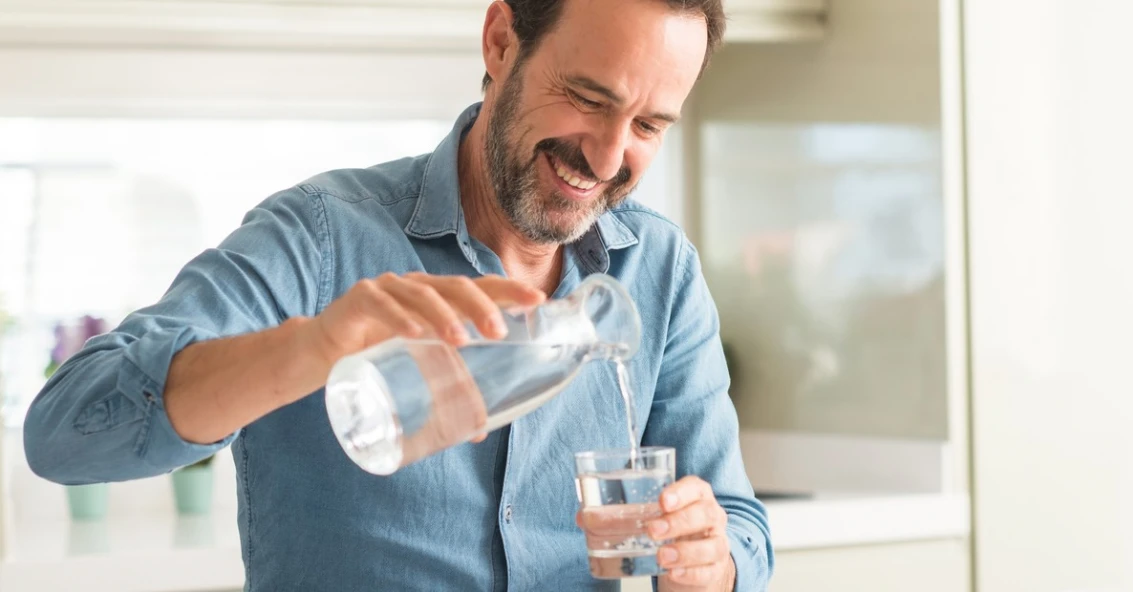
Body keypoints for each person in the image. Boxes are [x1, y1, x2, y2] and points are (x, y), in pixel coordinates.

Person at [23, 0, 774, 589]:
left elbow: (738, 523)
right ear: (500, 42)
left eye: (647, 124)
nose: (609, 157)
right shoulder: (320, 239)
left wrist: (712, 562)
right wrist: (311, 347)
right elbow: (63, 434)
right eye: (586, 97)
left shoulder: (661, 271)